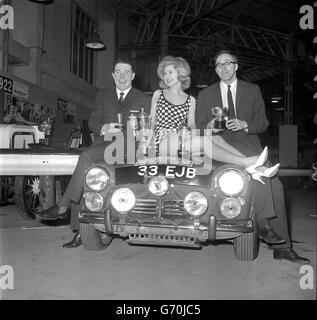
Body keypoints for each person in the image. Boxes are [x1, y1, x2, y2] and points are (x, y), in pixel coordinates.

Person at [197, 50, 311, 263]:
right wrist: (210, 126)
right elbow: (198, 127)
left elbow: (263, 123)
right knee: (264, 180)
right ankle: (264, 225)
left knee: (274, 185)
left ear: (236, 66)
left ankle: (283, 248)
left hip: (247, 143)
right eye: (219, 65)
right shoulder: (205, 94)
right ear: (215, 69)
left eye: (228, 63)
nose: (223, 68)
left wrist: (244, 124)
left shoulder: (252, 89)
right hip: (218, 145)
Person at [36, 59, 151, 248]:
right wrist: (104, 127)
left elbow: (146, 128)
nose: (122, 76)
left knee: (85, 158)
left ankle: (63, 205)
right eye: (118, 72)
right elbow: (93, 121)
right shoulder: (104, 95)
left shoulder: (143, 98)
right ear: (113, 75)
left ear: (133, 76)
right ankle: (80, 232)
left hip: (128, 147)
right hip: (104, 144)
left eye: (126, 72)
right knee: (83, 176)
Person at [146, 56, 279, 176]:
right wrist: (147, 142)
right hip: (162, 139)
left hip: (181, 139)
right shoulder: (159, 94)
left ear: (180, 74)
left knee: (217, 139)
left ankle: (254, 167)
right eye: (164, 73)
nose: (166, 76)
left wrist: (201, 130)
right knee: (205, 142)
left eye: (170, 72)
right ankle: (245, 162)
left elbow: (193, 126)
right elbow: (152, 121)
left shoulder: (190, 100)